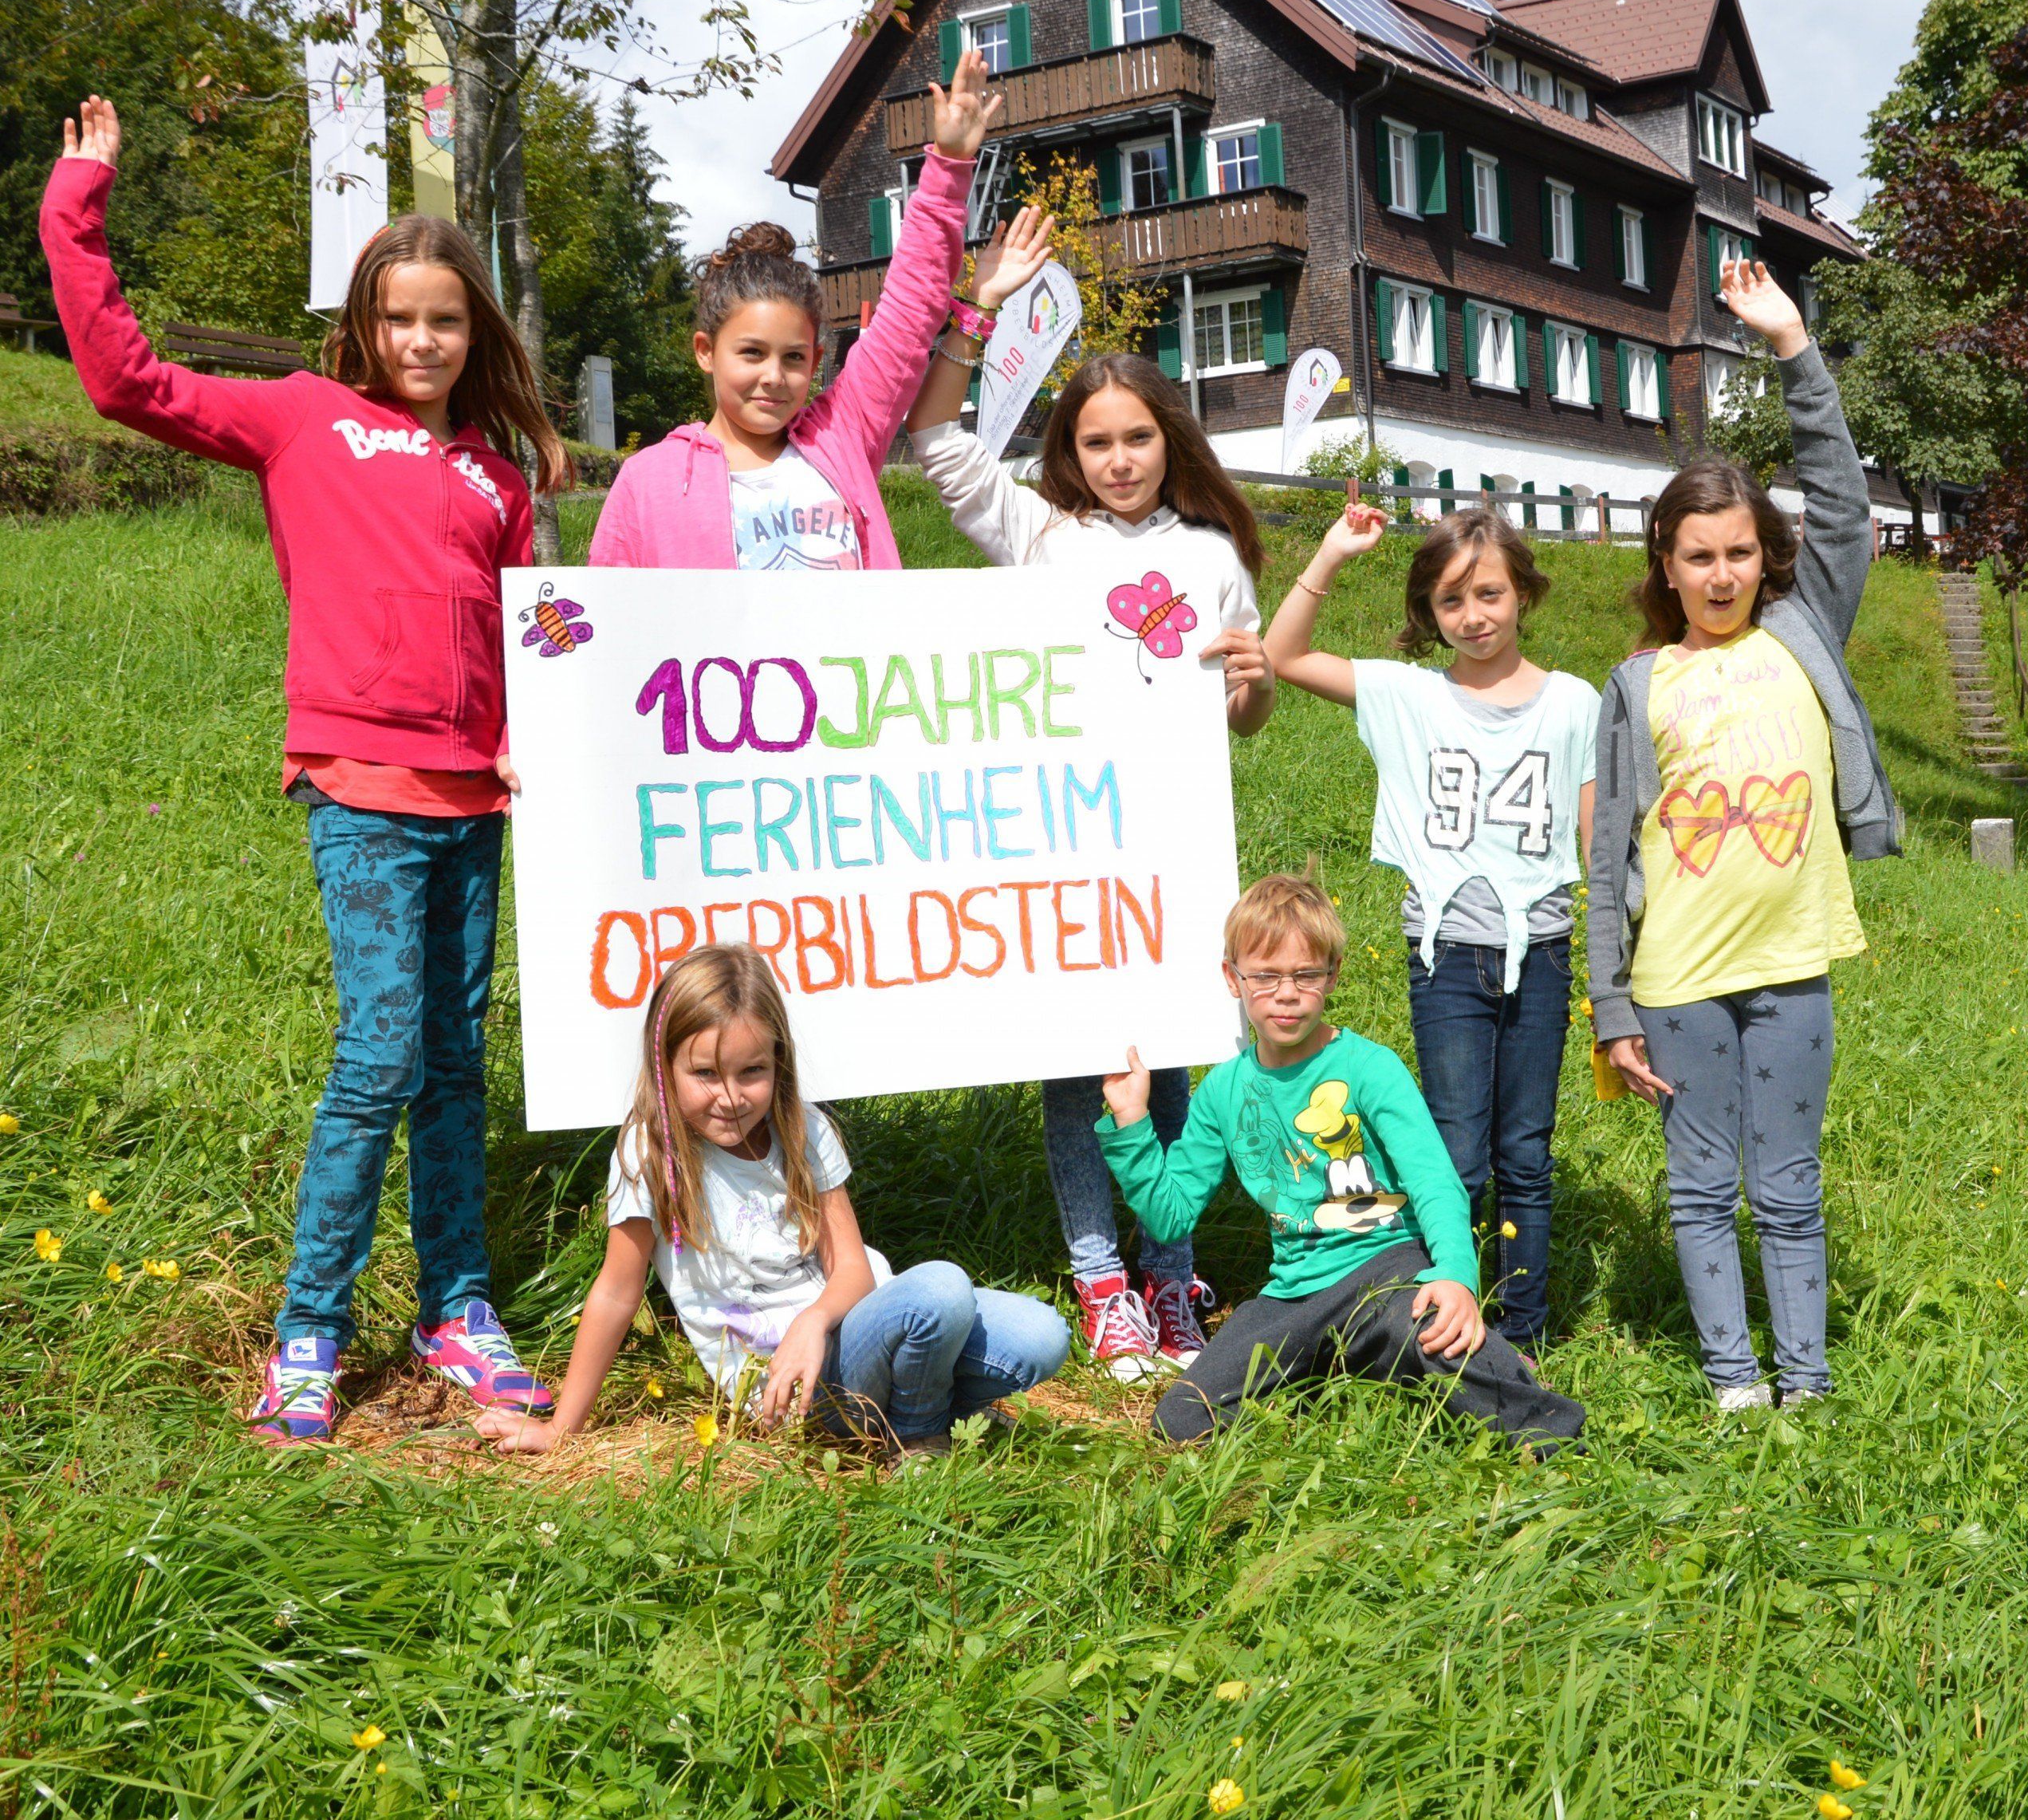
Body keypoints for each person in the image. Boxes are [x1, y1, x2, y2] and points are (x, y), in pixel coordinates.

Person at [41, 94, 568, 1442]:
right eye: (400, 318)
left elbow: (531, 634)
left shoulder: (498, 478)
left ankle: (455, 1304)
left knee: (455, 1062)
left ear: (474, 332)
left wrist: (557, 705)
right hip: (358, 789)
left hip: (472, 801)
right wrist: (79, 202)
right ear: (364, 323)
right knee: (383, 1047)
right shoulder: (301, 419)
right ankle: (310, 1330)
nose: (423, 340)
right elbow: (125, 381)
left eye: (446, 319)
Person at [904, 345, 1275, 1381]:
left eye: (1138, 438)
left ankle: (1170, 1270)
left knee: (1172, 1072)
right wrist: (976, 323)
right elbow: (936, 437)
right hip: (1064, 847)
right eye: (1095, 440)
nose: (1118, 460)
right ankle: (1099, 1278)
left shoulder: (1211, 557)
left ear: (1171, 438)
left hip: (1177, 849)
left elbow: (1244, 719)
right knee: (1076, 1072)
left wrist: (1254, 680)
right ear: (1066, 446)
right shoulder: (1041, 534)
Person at [1584, 258, 1901, 1412]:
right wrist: (1611, 1005)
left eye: (1739, 552)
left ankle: (1806, 1381)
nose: (1720, 573)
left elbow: (1846, 501)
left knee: (1791, 1187)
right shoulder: (1635, 681)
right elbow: (1608, 855)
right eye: (1697, 555)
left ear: (1769, 557)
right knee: (1702, 1184)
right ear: (1665, 566)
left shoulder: (1804, 629)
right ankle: (1733, 1378)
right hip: (1677, 977)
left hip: (1792, 964)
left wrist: (1792, 347)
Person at [475, 945, 1069, 1466]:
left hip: (853, 1326)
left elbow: (853, 1269)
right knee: (941, 1290)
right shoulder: (651, 1152)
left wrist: (813, 1321)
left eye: (751, 1071)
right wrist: (560, 1427)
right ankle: (917, 1434)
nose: (730, 1097)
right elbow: (616, 1291)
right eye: (705, 1073)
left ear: (777, 1062)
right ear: (666, 1068)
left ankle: (914, 1400)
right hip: (793, 1385)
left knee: (1042, 1334)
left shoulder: (803, 1129)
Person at [1262, 503, 1597, 1353]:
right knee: (1456, 1150)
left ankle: (1523, 1330)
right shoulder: (1407, 695)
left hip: (1543, 954)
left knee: (1526, 1150)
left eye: (1488, 592)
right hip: (1444, 960)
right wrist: (1332, 551)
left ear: (1522, 592)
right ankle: (1453, 1313)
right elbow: (1282, 655)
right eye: (1450, 601)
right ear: (1428, 614)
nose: (1473, 615)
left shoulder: (1573, 703)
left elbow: (1598, 842)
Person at [1093, 873, 1584, 1452]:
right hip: (1293, 1293)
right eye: (1266, 976)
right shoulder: (1223, 1091)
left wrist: (1454, 1274)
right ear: (1233, 978)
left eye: (1306, 975)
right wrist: (1131, 1122)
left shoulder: (1369, 1066)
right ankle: (1333, 1377)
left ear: (1333, 976)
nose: (1286, 992)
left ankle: (1549, 1425)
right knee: (1182, 1417)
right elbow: (1170, 1215)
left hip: (1387, 1268)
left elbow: (1435, 1182)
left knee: (1439, 1334)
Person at [588, 49, 1048, 573]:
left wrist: (948, 169)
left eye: (793, 358)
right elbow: (608, 628)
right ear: (705, 351)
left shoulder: (842, 434)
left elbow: (909, 309)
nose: (773, 376)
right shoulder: (649, 480)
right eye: (752, 353)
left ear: (817, 358)